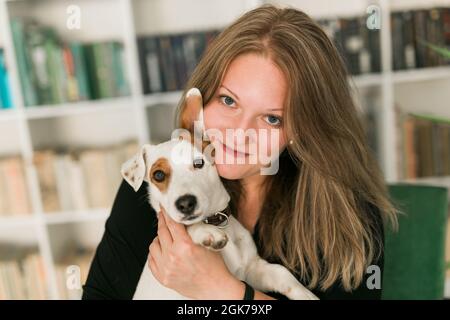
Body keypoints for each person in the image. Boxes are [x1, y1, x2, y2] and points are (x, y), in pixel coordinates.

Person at [82, 4, 398, 300]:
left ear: (301, 130)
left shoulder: (350, 216)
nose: (239, 133)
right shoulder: (154, 187)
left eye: (272, 117)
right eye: (228, 101)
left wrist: (223, 290)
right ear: (202, 100)